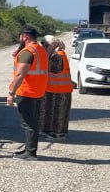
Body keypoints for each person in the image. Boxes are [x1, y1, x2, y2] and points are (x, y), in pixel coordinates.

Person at [7, 26, 49, 159]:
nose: (20, 39)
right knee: (32, 121)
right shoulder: (40, 50)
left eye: (20, 36)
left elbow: (20, 74)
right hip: (37, 91)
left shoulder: (28, 52)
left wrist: (11, 92)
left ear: (25, 37)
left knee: (28, 123)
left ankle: (30, 152)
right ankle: (28, 149)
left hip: (26, 92)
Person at [42, 35, 75, 139]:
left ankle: (57, 134)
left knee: (58, 114)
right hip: (57, 89)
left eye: (45, 45)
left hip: (59, 91)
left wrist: (47, 54)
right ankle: (54, 133)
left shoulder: (57, 56)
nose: (43, 47)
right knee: (55, 113)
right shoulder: (57, 54)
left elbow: (47, 67)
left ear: (51, 45)